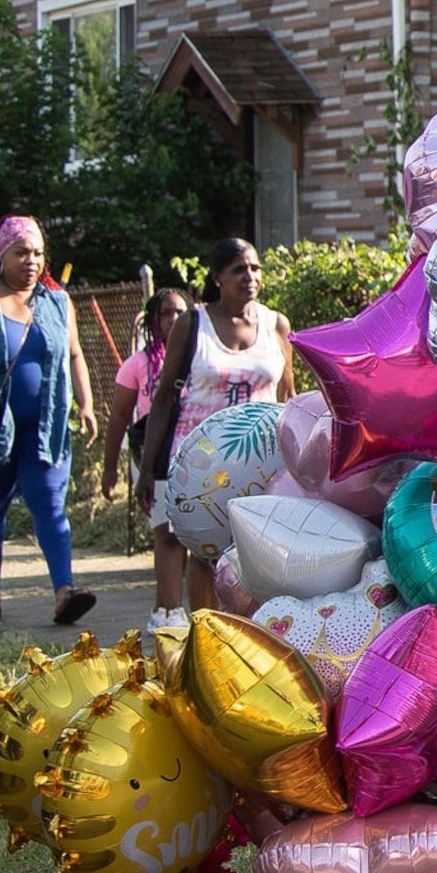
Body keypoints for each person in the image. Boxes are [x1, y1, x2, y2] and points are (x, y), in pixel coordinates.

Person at [0, 216, 100, 626]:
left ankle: (64, 591)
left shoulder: (58, 302)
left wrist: (86, 404)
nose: (31, 261)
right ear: (0, 253)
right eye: (21, 252)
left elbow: (75, 354)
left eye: (38, 253)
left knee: (49, 502)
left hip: (45, 423)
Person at [136, 239, 292, 630]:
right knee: (204, 554)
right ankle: (209, 633)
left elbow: (288, 396)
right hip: (200, 463)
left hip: (262, 462)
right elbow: (164, 399)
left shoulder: (276, 325)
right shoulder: (193, 324)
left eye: (255, 268)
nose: (250, 277)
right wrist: (147, 469)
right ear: (217, 277)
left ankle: (256, 634)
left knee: (261, 553)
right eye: (239, 269)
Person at [98, 288, 192, 511]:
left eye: (180, 312)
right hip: (156, 454)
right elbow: (119, 416)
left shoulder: (203, 360)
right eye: (165, 314)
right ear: (153, 320)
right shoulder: (137, 364)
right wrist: (110, 467)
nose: (173, 320)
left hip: (196, 454)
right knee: (164, 531)